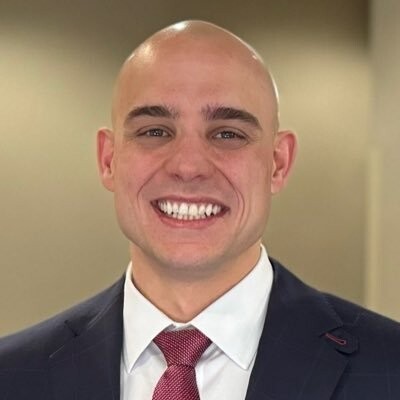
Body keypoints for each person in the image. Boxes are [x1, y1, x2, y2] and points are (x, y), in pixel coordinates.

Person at [0, 20, 399, 400]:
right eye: (155, 131)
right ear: (109, 159)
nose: (188, 166)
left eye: (227, 134)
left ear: (278, 163)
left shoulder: (390, 368)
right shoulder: (12, 375)